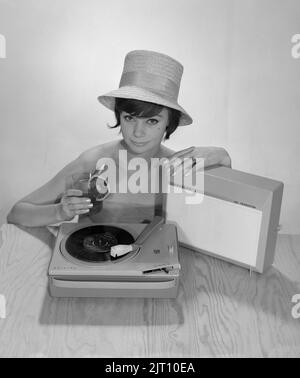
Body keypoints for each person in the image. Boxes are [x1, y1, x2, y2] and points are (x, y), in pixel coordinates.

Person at [7, 50, 231, 227]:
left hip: (155, 272)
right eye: (130, 117)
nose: (138, 132)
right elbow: (17, 213)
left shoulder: (179, 169)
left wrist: (220, 155)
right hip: (95, 269)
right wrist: (59, 212)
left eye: (151, 121)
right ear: (119, 116)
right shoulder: (93, 161)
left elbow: (228, 214)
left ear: (168, 123)